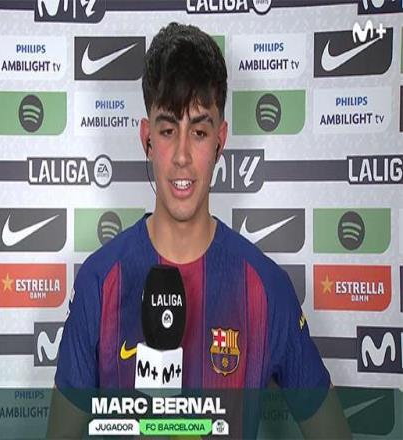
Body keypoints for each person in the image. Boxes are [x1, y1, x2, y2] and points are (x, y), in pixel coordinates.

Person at [47, 22, 351, 439]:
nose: (183, 156)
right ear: (147, 138)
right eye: (168, 130)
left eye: (200, 132)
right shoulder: (100, 283)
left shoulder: (265, 288)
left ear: (220, 141)